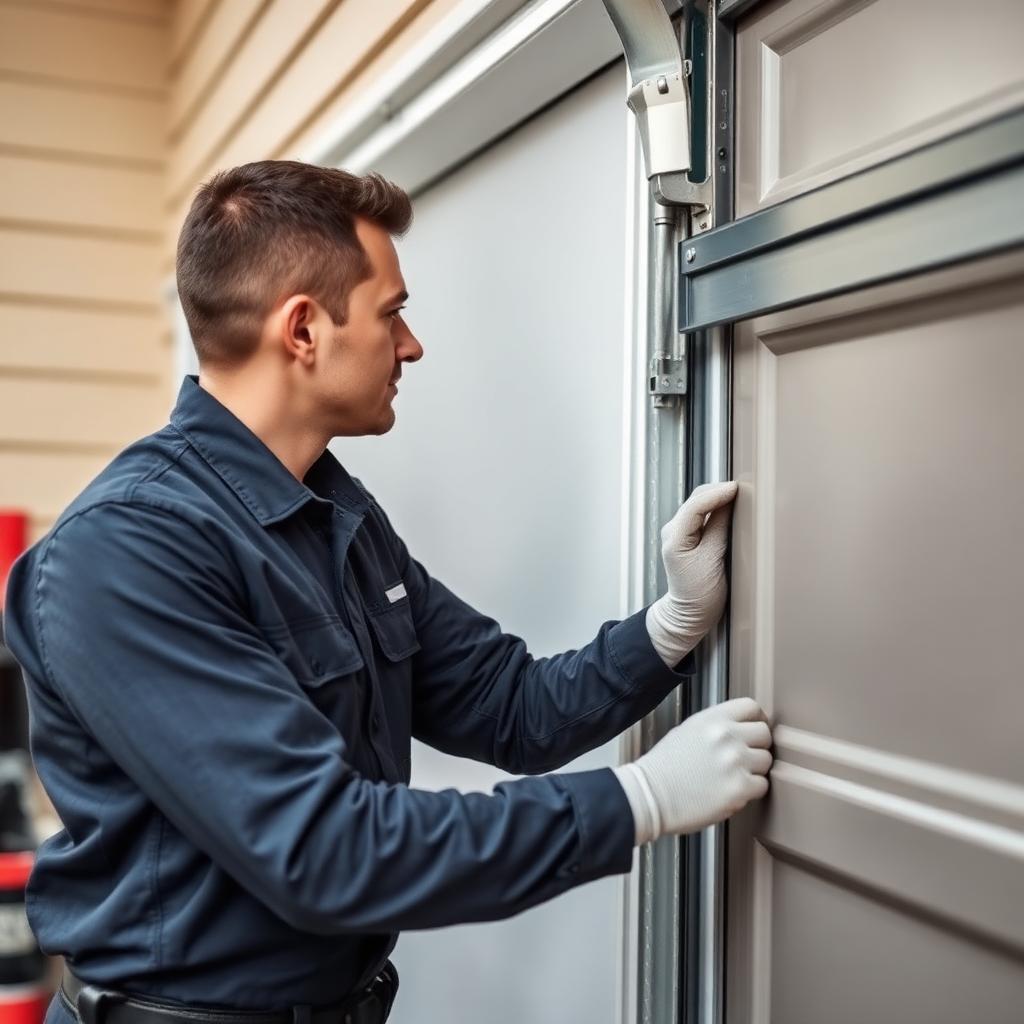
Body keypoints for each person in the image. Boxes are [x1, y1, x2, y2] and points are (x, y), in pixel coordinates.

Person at [1, 162, 771, 1024]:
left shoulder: (337, 514)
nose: (410, 345)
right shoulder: (127, 551)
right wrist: (641, 801)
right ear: (303, 329)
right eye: (392, 312)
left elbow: (511, 706)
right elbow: (326, 851)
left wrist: (670, 627)